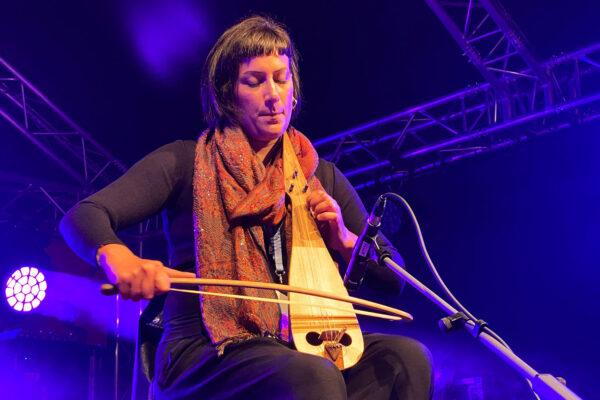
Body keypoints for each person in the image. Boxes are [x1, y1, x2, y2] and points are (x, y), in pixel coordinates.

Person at [60, 15, 433, 399]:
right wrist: (117, 257)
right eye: (254, 82)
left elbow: (394, 277)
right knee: (312, 376)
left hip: (304, 345)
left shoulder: (321, 175)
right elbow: (83, 216)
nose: (273, 94)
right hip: (206, 348)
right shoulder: (186, 161)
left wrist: (343, 238)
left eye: (281, 79)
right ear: (227, 95)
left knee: (406, 359)